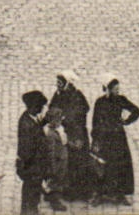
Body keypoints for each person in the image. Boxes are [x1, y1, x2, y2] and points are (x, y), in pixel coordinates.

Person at [90, 76, 139, 205]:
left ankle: (120, 193)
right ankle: (100, 194)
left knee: (120, 165)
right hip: (104, 139)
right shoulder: (100, 102)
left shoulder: (121, 100)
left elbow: (136, 111)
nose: (117, 92)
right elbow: (95, 122)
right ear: (108, 89)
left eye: (118, 89)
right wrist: (95, 139)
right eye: (115, 89)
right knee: (102, 166)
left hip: (118, 138)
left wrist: (126, 121)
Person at [51, 72, 92, 202]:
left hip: (77, 133)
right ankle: (68, 190)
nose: (57, 85)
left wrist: (66, 117)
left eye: (60, 83)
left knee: (78, 162)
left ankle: (81, 192)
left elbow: (84, 110)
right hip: (65, 133)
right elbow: (52, 108)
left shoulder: (76, 95)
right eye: (57, 82)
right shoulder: (58, 95)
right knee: (67, 162)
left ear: (67, 84)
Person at [16, 91, 53, 215]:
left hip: (34, 168)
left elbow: (36, 129)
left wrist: (44, 122)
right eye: (40, 106)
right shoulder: (26, 125)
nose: (42, 108)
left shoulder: (29, 118)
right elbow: (27, 151)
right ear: (33, 107)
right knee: (30, 198)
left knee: (33, 197)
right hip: (32, 168)